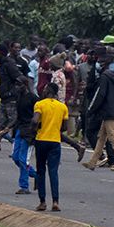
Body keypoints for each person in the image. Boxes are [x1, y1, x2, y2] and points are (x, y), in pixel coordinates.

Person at [85, 50, 114, 173]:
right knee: (101, 137)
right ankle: (92, 162)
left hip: (108, 111)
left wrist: (91, 109)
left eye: (100, 62)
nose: (98, 64)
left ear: (104, 63)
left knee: (113, 137)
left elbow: (100, 95)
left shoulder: (104, 77)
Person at [31, 82, 69, 211]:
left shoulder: (39, 104)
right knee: (53, 172)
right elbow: (64, 127)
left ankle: (42, 202)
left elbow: (35, 120)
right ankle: (55, 201)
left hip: (41, 140)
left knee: (41, 171)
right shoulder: (63, 107)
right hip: (55, 141)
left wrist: (36, 128)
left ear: (47, 91)